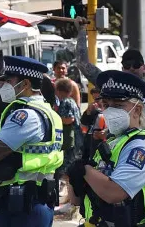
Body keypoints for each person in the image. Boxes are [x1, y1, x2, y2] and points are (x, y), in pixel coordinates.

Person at [67, 70, 145, 227]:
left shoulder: (142, 147)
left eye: (118, 105)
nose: (110, 111)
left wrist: (85, 171)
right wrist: (75, 177)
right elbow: (77, 199)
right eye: (107, 105)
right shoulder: (113, 142)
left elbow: (114, 193)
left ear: (137, 110)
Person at [0, 55, 62, 227]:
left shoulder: (26, 115)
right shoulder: (48, 112)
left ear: (25, 84)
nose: (2, 86)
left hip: (23, 205)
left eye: (8, 81)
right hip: (32, 201)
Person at [74, 26, 145, 151]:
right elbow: (83, 65)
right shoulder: (113, 85)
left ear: (144, 67)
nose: (131, 68)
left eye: (136, 65)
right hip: (119, 151)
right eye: (127, 65)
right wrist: (82, 31)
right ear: (122, 68)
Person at [54, 77, 81, 215]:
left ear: (59, 90)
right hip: (75, 141)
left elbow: (69, 119)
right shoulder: (72, 102)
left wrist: (53, 118)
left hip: (69, 142)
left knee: (65, 171)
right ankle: (70, 200)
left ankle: (70, 201)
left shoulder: (66, 102)